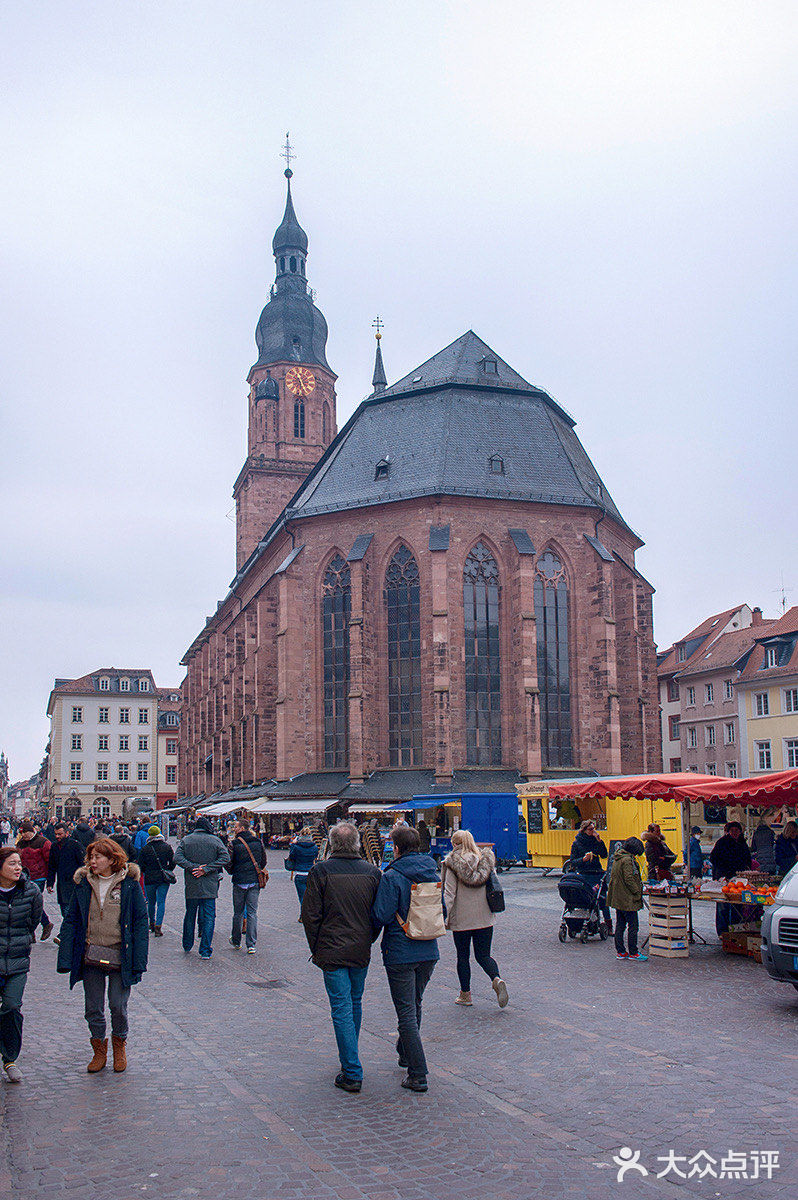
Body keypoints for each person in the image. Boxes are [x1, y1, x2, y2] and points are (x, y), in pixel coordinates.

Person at [300, 822, 381, 1092]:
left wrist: (317, 948)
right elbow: (377, 915)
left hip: (332, 949)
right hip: (359, 948)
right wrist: (368, 938)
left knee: (341, 1008)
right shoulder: (372, 872)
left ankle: (352, 1070)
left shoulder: (320, 871)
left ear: (332, 844)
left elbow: (310, 916)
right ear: (357, 843)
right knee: (353, 1003)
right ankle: (351, 1058)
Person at [56, 837, 149, 1073]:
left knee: (118, 1005)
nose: (92, 861)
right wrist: (66, 957)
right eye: (91, 857)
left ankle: (119, 1044)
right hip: (90, 954)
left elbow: (140, 922)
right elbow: (71, 921)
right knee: (93, 1007)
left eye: (97, 857)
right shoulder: (84, 883)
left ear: (111, 859)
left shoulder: (129, 884)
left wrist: (139, 960)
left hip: (121, 954)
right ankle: (99, 1050)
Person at [371, 825, 444, 1093]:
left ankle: (418, 1072)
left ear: (396, 848)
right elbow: (441, 911)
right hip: (429, 949)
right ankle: (405, 1053)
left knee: (406, 1014)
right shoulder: (431, 872)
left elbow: (381, 914)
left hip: (400, 951)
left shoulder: (392, 875)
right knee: (415, 1003)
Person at [442, 829, 508, 1008]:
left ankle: (465, 995)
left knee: (462, 957)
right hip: (485, 916)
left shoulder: (452, 863)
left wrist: (443, 917)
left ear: (455, 844)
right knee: (484, 955)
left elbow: (449, 893)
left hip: (462, 918)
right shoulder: (485, 860)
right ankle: (496, 979)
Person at [0, 846, 43, 1082]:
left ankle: (10, 1059)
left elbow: (33, 922)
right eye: (12, 864)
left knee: (11, 1007)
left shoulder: (31, 891)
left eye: (19, 863)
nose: (18, 868)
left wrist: (20, 942)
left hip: (17, 960)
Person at [175, 816, 229, 959]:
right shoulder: (215, 840)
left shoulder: (186, 840)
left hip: (192, 884)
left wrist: (193, 867)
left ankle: (187, 944)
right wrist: (207, 869)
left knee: (190, 914)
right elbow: (225, 858)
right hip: (210, 885)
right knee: (209, 917)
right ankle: (205, 949)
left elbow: (177, 858)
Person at [225, 817, 268, 954]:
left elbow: (228, 862)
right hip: (254, 881)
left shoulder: (234, 844)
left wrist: (233, 871)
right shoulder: (257, 842)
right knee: (252, 913)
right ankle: (251, 944)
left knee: (238, 913)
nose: (234, 829)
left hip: (239, 881)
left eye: (236, 827)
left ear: (242, 828)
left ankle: (237, 941)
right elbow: (263, 860)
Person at [607, 837, 646, 960]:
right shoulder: (627, 860)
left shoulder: (618, 858)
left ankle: (621, 951)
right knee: (633, 926)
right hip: (627, 898)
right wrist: (637, 892)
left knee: (620, 925)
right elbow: (629, 879)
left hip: (618, 897)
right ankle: (633, 952)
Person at [710, 822, 753, 936]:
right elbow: (713, 858)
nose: (735, 833)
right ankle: (722, 932)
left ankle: (735, 929)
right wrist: (724, 870)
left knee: (737, 905)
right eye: (732, 830)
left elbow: (748, 858)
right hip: (724, 877)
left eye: (737, 831)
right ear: (728, 832)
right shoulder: (722, 842)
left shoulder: (742, 843)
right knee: (723, 905)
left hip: (738, 878)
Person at [569, 820, 612, 931]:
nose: (593, 831)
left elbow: (604, 855)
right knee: (586, 898)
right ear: (584, 830)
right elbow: (573, 861)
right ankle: (585, 921)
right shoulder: (577, 843)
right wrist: (583, 859)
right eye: (591, 829)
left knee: (602, 899)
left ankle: (608, 925)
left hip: (597, 872)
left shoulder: (595, 841)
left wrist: (599, 840)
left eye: (594, 829)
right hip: (584, 873)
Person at [16, 821, 54, 940]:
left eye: (25, 833)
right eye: (21, 833)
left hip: (39, 876)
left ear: (31, 832)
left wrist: (50, 880)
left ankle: (39, 927)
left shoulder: (43, 842)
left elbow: (50, 861)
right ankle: (38, 927)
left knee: (32, 901)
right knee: (27, 904)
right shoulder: (21, 843)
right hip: (24, 877)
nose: (23, 836)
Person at [45, 823, 85, 935]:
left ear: (67, 833)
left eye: (60, 834)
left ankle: (64, 934)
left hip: (74, 883)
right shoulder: (54, 847)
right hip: (62, 883)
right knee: (64, 909)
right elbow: (52, 866)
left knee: (69, 911)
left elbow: (83, 864)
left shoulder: (75, 845)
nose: (57, 836)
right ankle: (68, 933)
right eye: (56, 834)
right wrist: (50, 882)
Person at [138, 825, 175, 936]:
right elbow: (173, 861)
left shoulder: (145, 848)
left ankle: (152, 923)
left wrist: (146, 871)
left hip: (149, 878)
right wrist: (168, 869)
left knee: (151, 902)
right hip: (163, 878)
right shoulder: (167, 847)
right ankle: (159, 925)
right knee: (161, 902)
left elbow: (141, 865)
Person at [285, 827, 319, 906]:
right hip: (311, 873)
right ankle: (308, 914)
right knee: (311, 897)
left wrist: (293, 844)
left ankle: (303, 915)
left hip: (300, 873)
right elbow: (315, 856)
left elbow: (292, 857)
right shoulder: (314, 847)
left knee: (302, 897)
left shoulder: (296, 847)